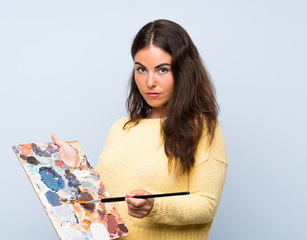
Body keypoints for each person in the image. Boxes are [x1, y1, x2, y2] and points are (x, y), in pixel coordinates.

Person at [53, 19, 227, 240]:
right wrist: (75, 166)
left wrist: (155, 205)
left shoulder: (203, 129)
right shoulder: (121, 128)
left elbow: (207, 204)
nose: (149, 82)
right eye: (141, 70)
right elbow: (103, 201)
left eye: (162, 70)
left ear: (184, 71)